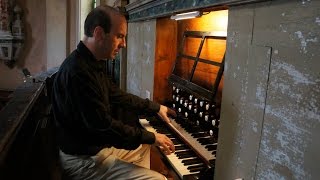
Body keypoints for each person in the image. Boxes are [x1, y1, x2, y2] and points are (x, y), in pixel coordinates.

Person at [52, 5, 176, 180]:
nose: (124, 44)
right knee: (159, 179)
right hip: (83, 161)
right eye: (120, 36)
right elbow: (105, 127)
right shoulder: (79, 73)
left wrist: (155, 108)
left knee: (143, 148)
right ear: (99, 33)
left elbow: (116, 95)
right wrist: (151, 136)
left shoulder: (91, 63)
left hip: (94, 150)